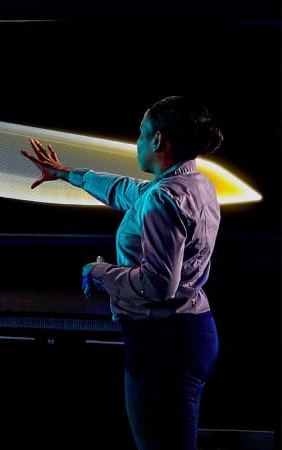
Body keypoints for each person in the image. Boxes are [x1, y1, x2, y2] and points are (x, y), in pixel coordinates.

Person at [21, 95, 223, 450]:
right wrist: (68, 174)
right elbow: (126, 191)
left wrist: (100, 272)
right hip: (191, 333)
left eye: (142, 133)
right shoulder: (196, 185)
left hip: (164, 344)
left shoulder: (165, 197)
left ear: (158, 140)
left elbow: (158, 285)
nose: (138, 141)